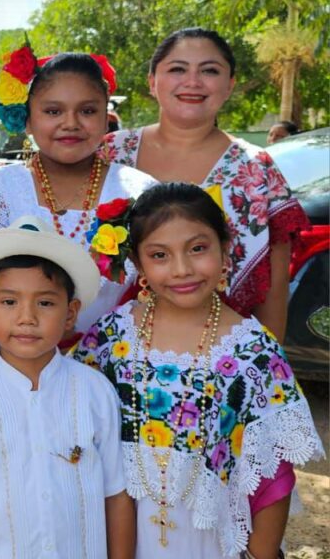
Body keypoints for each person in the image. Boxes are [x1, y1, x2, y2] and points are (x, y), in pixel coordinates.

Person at [71, 182, 324, 558]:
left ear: (225, 248)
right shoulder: (110, 340)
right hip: (115, 539)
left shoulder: (252, 352)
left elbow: (271, 474)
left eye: (198, 248)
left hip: (207, 543)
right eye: (160, 255)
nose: (182, 269)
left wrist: (261, 553)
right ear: (138, 262)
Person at [0, 216, 135, 558]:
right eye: (9, 302)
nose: (27, 318)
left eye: (45, 303)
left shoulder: (94, 392)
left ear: (70, 313)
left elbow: (115, 494)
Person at [104, 27, 309, 341]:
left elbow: (275, 284)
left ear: (230, 85)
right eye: (177, 69)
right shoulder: (109, 154)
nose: (193, 82)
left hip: (216, 353)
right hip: (106, 346)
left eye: (209, 71)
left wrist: (266, 360)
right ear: (152, 82)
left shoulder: (256, 170)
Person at [0, 50, 156, 364]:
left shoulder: (138, 192)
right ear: (27, 118)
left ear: (105, 118)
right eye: (53, 111)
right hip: (13, 371)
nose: (70, 123)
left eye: (87, 111)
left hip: (115, 367)